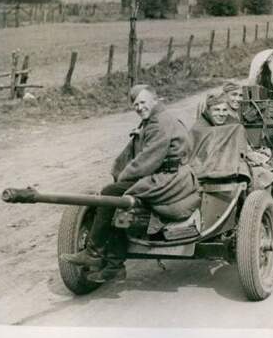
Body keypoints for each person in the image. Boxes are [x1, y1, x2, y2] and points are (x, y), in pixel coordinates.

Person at [61, 84, 200, 282]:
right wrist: (119, 172)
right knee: (118, 205)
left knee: (111, 194)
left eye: (143, 102)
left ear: (155, 100)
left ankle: (94, 253)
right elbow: (133, 153)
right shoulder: (152, 120)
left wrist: (123, 177)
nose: (139, 107)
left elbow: (148, 159)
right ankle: (114, 266)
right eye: (135, 104)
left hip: (169, 180)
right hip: (163, 175)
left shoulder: (160, 122)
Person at [194, 93, 273, 220]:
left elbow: (239, 146)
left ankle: (268, 212)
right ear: (208, 110)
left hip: (227, 164)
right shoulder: (200, 127)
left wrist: (254, 155)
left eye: (224, 110)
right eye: (216, 110)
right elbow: (200, 153)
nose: (221, 114)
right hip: (211, 169)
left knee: (263, 170)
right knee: (257, 174)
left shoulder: (229, 123)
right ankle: (257, 217)